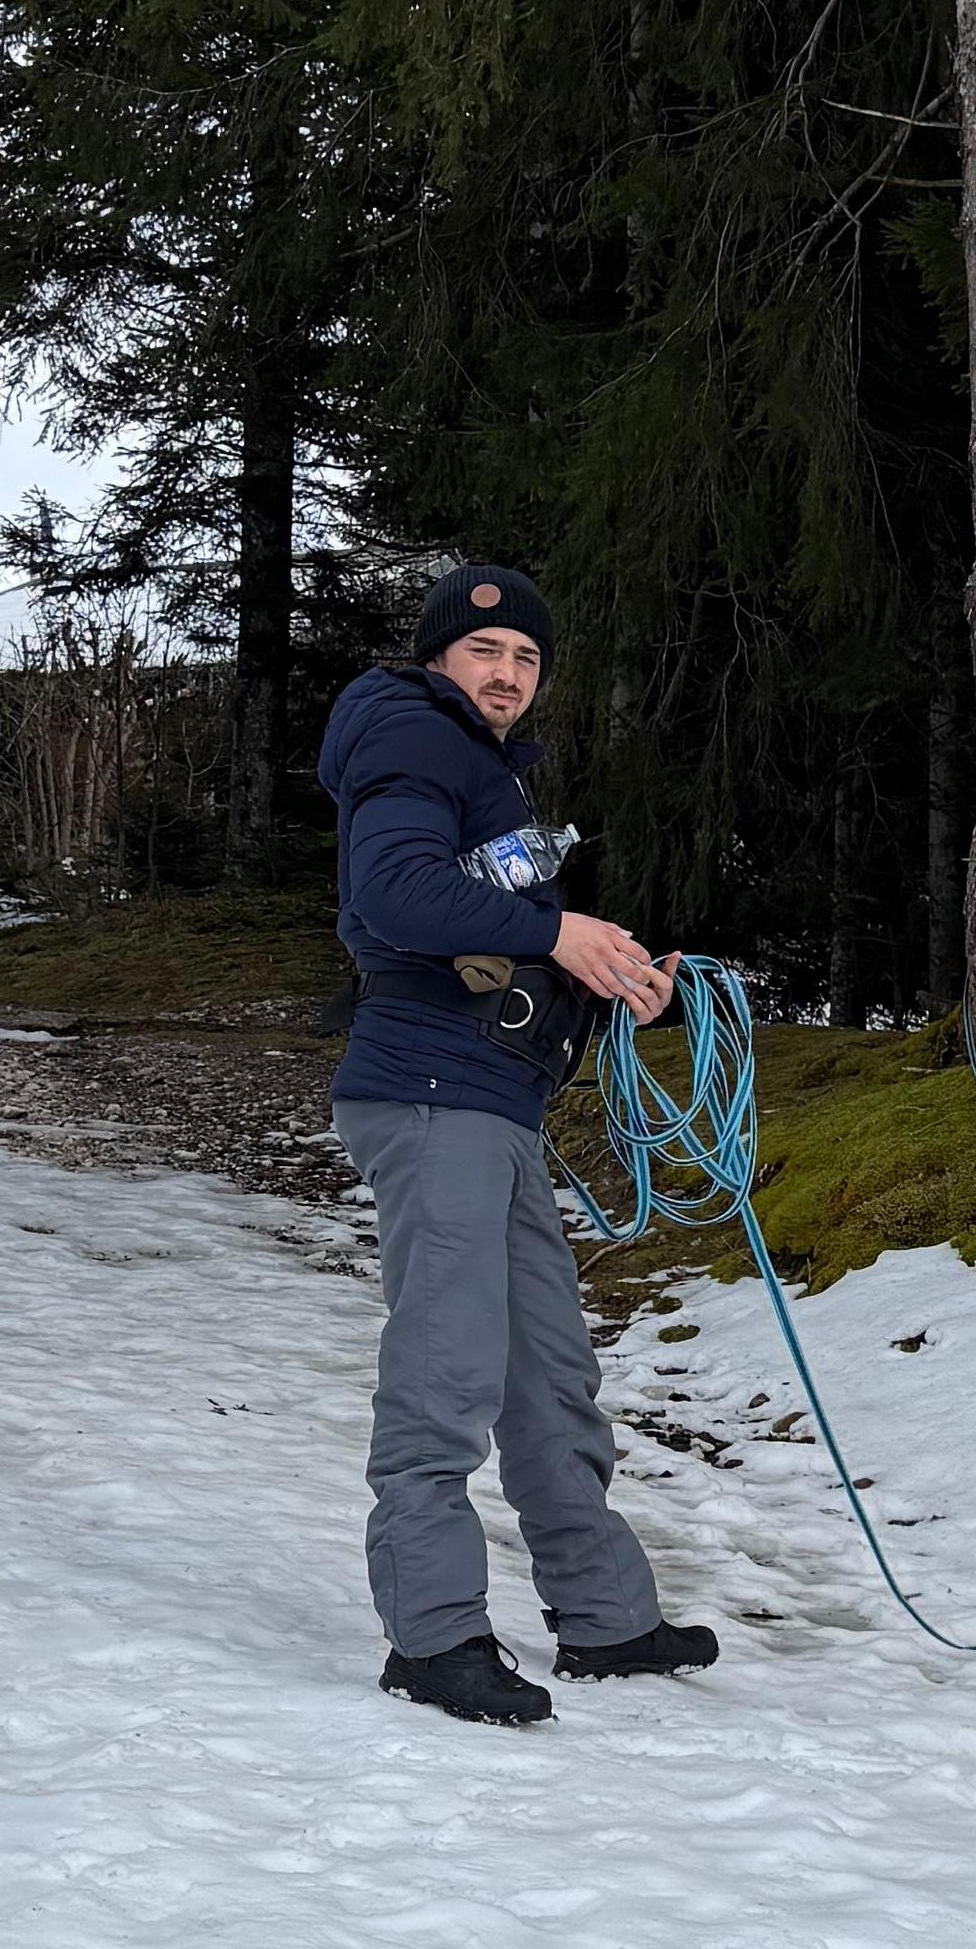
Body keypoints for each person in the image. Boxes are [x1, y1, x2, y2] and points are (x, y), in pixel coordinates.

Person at [314, 560, 721, 1725]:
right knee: (447, 1371)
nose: (506, 673)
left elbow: (496, 951)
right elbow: (394, 900)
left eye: (527, 659)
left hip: (490, 1100)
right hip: (432, 1095)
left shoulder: (476, 769)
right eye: (485, 653)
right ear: (442, 659)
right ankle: (433, 1638)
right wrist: (563, 927)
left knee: (546, 1373)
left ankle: (605, 1619)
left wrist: (628, 986)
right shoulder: (411, 739)